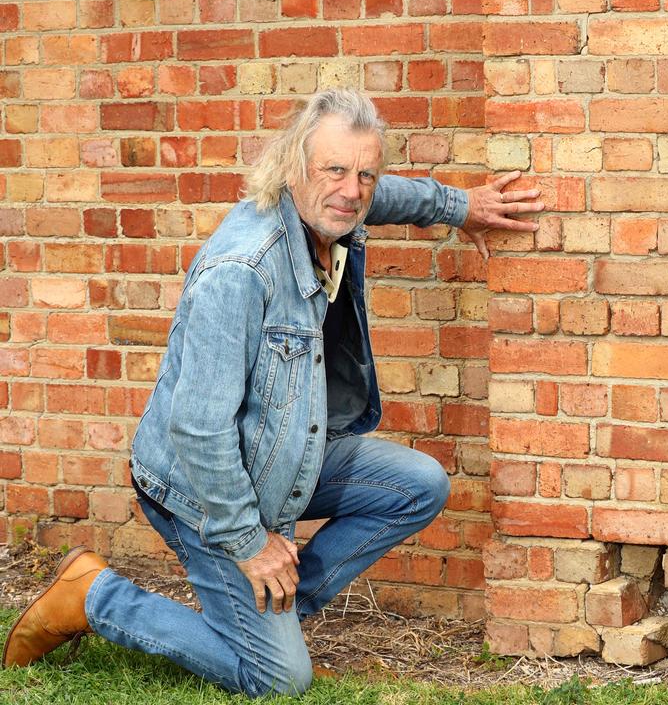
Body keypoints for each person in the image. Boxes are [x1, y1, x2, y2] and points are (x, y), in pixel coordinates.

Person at [3, 89, 543, 696]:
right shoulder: (241, 272)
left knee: (418, 485)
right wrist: (250, 542)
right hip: (201, 489)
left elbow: (374, 196)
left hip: (282, 457)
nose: (352, 189)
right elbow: (198, 429)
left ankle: (263, 617)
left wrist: (457, 205)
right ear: (294, 169)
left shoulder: (330, 206)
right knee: (279, 679)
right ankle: (96, 598)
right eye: (335, 170)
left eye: (364, 172)